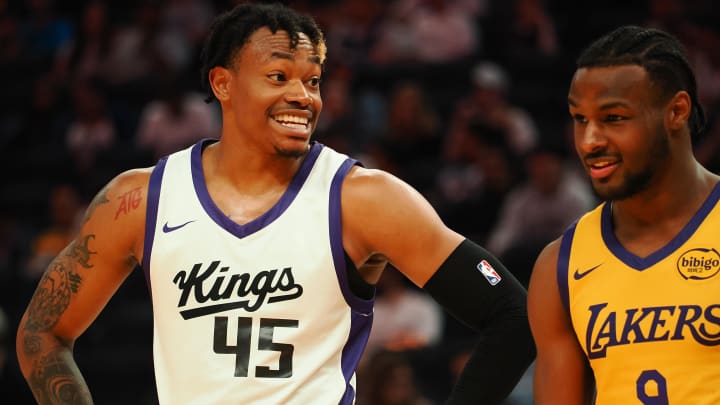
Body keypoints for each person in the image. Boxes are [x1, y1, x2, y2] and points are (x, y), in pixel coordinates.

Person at [16, 2, 534, 405]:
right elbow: (43, 333)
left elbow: (513, 314)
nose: (304, 96)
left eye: (313, 80)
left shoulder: (364, 199)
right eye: (279, 76)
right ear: (223, 83)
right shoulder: (141, 199)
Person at [527, 25, 720, 404]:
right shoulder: (559, 266)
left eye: (613, 118)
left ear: (677, 111)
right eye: (579, 119)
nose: (590, 141)